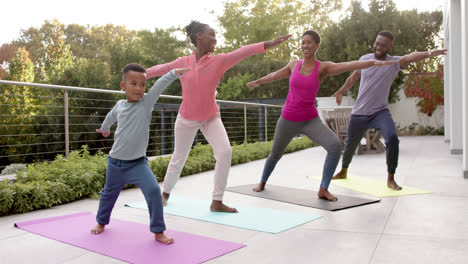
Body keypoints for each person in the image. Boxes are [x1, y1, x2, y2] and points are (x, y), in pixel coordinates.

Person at [146, 20, 291, 212]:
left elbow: (243, 51)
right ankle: (165, 193)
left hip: (210, 117)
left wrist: (269, 43)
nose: (215, 39)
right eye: (211, 34)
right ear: (199, 36)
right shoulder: (183, 62)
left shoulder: (219, 61)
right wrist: (136, 76)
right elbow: (159, 69)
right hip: (186, 118)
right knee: (179, 157)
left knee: (225, 152)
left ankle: (217, 201)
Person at [247, 30, 398, 201]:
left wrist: (372, 63)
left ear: (317, 45)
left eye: (309, 42)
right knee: (275, 153)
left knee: (334, 147)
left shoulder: (323, 67)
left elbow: (347, 65)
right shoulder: (293, 65)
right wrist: (259, 81)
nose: (305, 45)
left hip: (310, 120)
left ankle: (323, 189)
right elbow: (275, 75)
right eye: (303, 42)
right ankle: (262, 181)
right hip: (288, 119)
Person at [332, 30, 447, 190]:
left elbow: (409, 57)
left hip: (380, 112)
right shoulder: (365, 59)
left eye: (383, 45)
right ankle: (344, 171)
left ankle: (390, 178)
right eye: (377, 43)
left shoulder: (394, 63)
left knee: (392, 138)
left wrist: (429, 53)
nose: (378, 47)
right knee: (351, 144)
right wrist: (341, 90)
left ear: (390, 47)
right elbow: (353, 77)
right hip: (359, 112)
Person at [91, 63, 190, 245]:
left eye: (142, 85)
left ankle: (158, 232)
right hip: (115, 164)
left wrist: (173, 74)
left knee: (153, 191)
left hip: (137, 164)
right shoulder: (119, 105)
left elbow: (159, 85)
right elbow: (110, 117)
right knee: (108, 194)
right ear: (123, 86)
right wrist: (104, 129)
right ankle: (101, 222)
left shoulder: (146, 103)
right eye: (133, 83)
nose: (139, 88)